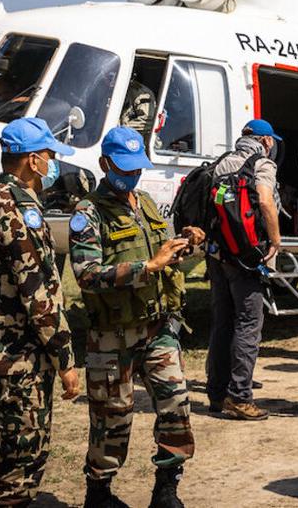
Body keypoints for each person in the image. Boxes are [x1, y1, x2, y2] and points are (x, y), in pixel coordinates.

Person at [70, 126, 204, 508]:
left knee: (176, 405)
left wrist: (185, 244)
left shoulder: (144, 203)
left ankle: (166, 489)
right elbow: (86, 274)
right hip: (112, 336)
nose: (132, 175)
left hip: (157, 328)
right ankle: (99, 493)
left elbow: (164, 257)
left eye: (136, 168)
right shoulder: (88, 213)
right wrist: (149, 266)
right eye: (124, 168)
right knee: (112, 419)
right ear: (104, 164)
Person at [0, 117, 80, 506]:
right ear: (32, 160)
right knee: (20, 468)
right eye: (49, 155)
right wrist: (65, 359)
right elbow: (38, 293)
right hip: (17, 361)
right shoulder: (16, 209)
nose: (52, 163)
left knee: (10, 458)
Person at [205, 119, 283, 420]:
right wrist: (275, 240)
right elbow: (264, 200)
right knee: (248, 324)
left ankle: (216, 394)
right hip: (247, 258)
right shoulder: (262, 164)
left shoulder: (222, 163)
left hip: (218, 255)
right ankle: (240, 396)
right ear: (266, 141)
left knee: (222, 323)